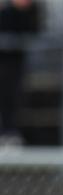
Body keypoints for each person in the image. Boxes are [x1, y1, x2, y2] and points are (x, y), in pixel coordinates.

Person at [0, 0, 40, 145]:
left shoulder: (28, 10)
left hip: (13, 61)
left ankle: (9, 132)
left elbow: (32, 30)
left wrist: (21, 9)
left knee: (11, 96)